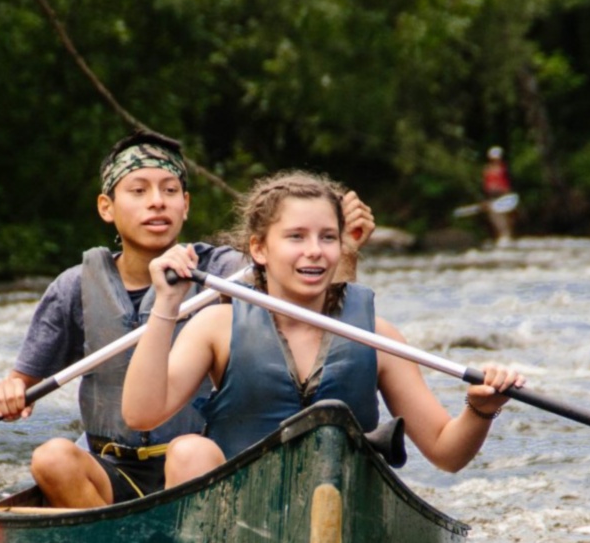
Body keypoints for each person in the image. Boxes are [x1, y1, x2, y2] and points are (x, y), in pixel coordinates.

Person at [0, 133, 373, 507]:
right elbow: (21, 385)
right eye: (138, 191)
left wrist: (344, 250)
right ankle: (120, 542)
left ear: (186, 205)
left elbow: (307, 303)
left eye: (170, 191)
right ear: (106, 207)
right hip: (111, 470)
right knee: (51, 457)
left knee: (189, 455)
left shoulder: (224, 269)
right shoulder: (74, 286)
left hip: (201, 462)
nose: (157, 203)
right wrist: (10, 391)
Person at [121, 170, 522, 489]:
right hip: (240, 518)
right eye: (296, 237)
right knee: (189, 450)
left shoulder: (378, 337)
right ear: (259, 249)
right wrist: (167, 305)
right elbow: (141, 414)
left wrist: (480, 410)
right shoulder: (216, 325)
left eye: (327, 237)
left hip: (344, 506)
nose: (314, 250)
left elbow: (445, 453)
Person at [481, 145, 520, 243]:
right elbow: (485, 185)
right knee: (495, 216)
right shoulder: (487, 169)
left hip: (504, 194)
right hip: (492, 195)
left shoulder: (505, 168)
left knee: (507, 215)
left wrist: (508, 192)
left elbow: (509, 182)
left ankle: (508, 235)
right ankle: (501, 235)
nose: (496, 160)